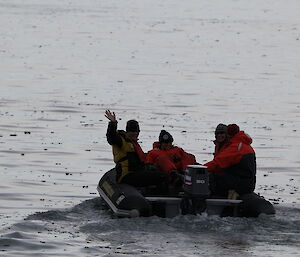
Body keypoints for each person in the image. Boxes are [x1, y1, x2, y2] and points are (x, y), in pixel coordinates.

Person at [105, 110, 168, 193]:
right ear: (127, 131)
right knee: (162, 177)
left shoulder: (134, 144)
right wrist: (113, 123)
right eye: (132, 131)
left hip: (136, 173)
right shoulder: (121, 141)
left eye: (136, 131)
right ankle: (160, 199)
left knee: (159, 172)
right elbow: (111, 137)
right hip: (126, 175)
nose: (134, 134)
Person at [204, 124, 256, 197]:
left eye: (222, 133)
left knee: (212, 178)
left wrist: (200, 169)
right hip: (246, 181)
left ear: (228, 134)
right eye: (218, 133)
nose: (220, 135)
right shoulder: (242, 144)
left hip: (241, 183)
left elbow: (218, 163)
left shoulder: (236, 147)